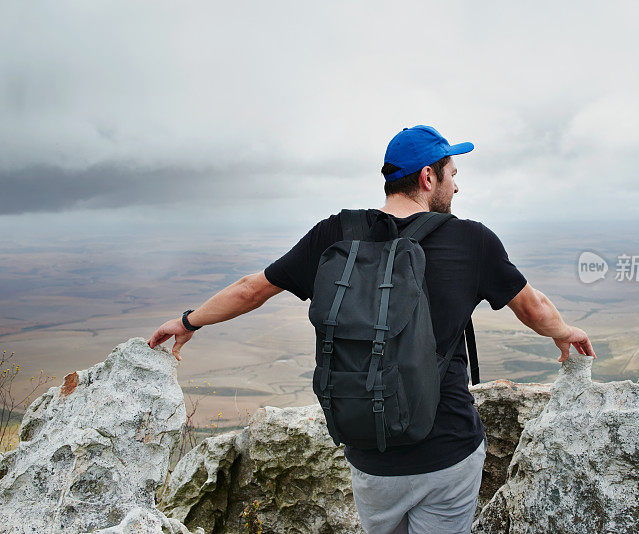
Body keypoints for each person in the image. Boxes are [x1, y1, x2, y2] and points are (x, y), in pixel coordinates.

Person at [147, 125, 596, 534]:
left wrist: (188, 322)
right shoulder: (471, 240)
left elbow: (252, 289)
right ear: (427, 178)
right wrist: (563, 331)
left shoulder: (335, 234)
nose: (456, 185)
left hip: (369, 453)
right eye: (451, 174)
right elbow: (532, 306)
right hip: (447, 453)